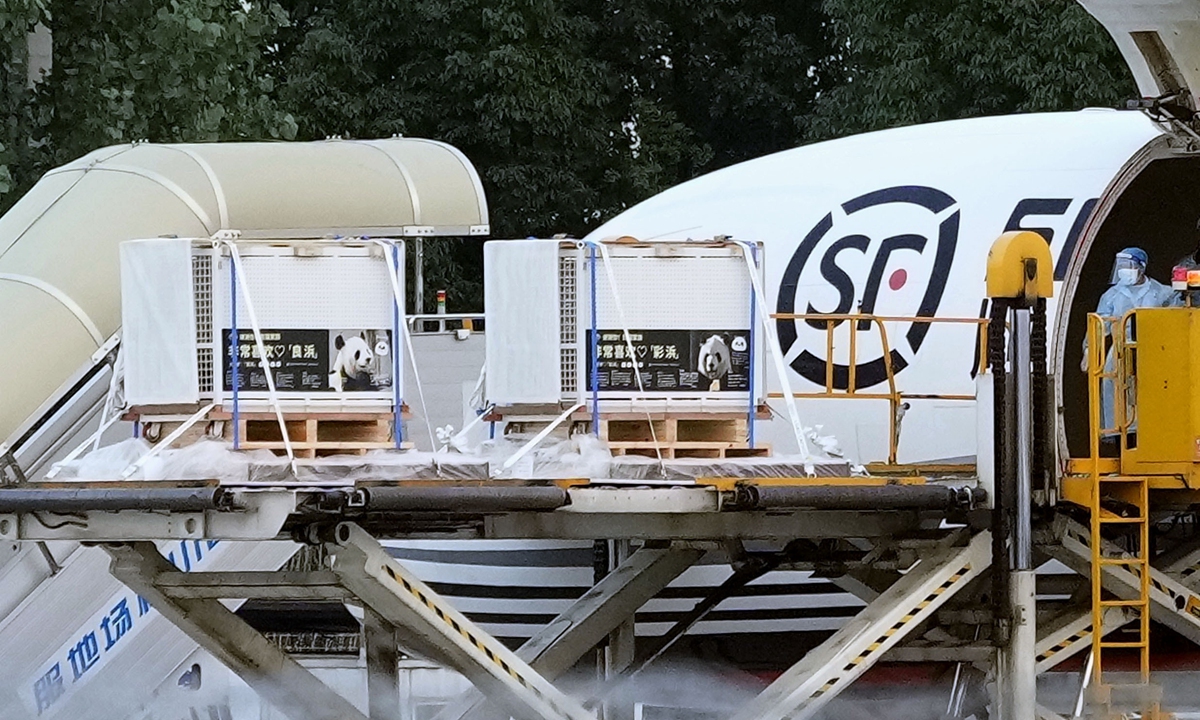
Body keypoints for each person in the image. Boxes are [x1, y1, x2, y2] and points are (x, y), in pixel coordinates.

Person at [1080, 247, 1172, 454]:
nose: (1123, 270)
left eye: (1127, 266)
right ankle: (1120, 444)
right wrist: (1088, 350)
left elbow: (1178, 311)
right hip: (1120, 353)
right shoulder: (1112, 295)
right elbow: (1100, 324)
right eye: (1120, 266)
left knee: (1150, 400)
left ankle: (1151, 447)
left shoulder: (1161, 292)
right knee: (1117, 399)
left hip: (1152, 352)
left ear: (1141, 268)